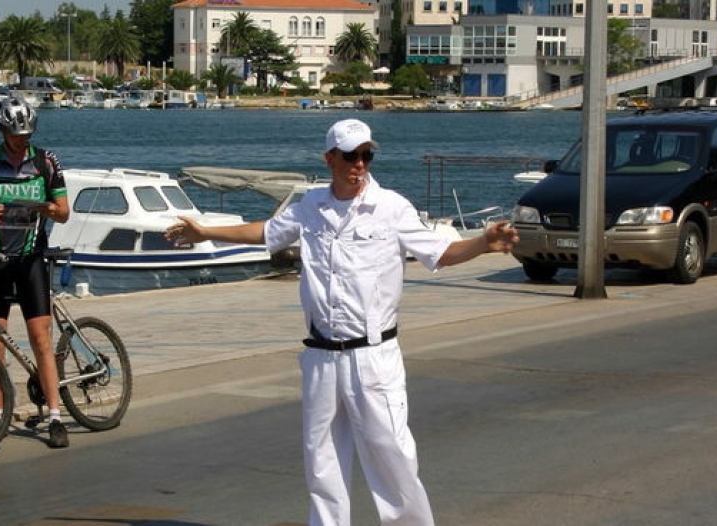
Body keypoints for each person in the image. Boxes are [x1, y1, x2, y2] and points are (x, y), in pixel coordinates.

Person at [165, 118, 519, 525]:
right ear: (330, 158)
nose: (360, 164)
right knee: (322, 460)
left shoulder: (391, 208)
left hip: (373, 356)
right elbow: (267, 232)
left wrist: (482, 244)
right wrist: (206, 231)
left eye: (367, 155)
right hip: (321, 355)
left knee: (392, 456)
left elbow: (440, 253)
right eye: (351, 156)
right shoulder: (311, 207)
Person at [0, 96, 72, 448]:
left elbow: (64, 212)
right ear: (2, 131)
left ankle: (55, 416)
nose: (22, 141)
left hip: (30, 259)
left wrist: (47, 208)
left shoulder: (45, 160)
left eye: (26, 135)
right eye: (15, 135)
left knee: (40, 339)